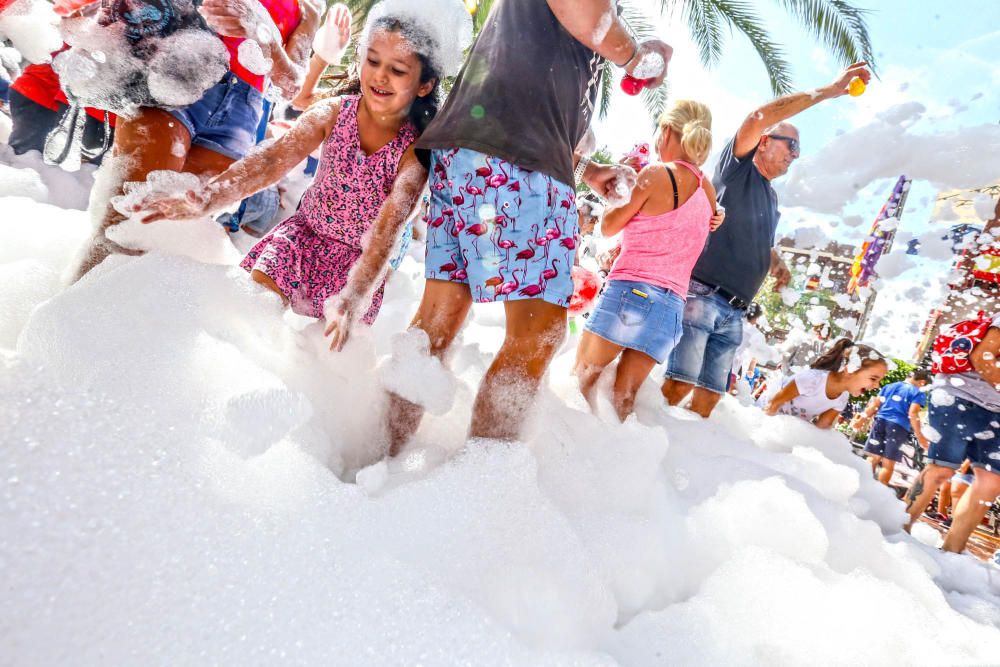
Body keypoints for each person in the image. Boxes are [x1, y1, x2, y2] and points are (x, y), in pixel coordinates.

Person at [329, 0, 674, 453]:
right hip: (519, 161)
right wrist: (637, 57)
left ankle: (375, 462)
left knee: (435, 323)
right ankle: (482, 489)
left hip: (471, 151)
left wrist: (586, 170)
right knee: (537, 332)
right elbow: (584, 13)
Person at [134, 2, 449, 328]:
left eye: (397, 70)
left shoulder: (413, 150)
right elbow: (270, 160)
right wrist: (209, 197)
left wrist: (355, 294)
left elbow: (388, 229)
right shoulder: (334, 112)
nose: (380, 75)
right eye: (372, 61)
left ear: (424, 85)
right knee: (248, 312)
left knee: (325, 352)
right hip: (302, 237)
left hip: (360, 265)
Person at [660, 61, 872, 418]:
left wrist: (776, 263)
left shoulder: (770, 197)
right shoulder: (736, 168)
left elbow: (756, 240)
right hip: (703, 293)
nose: (795, 155)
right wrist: (833, 90)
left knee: (710, 398)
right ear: (763, 142)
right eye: (791, 145)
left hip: (735, 309)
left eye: (797, 150)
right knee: (679, 384)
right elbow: (757, 116)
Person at [72, 0, 321, 279]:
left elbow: (292, 84)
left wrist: (262, 29)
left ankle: (127, 315)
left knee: (169, 237)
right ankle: (64, 313)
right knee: (124, 226)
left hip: (239, 116)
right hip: (178, 69)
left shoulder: (309, 8)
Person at [574, 100, 724, 421]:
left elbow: (608, 225)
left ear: (667, 131)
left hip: (631, 293)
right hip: (671, 310)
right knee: (624, 401)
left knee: (581, 383)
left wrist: (624, 185)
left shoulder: (656, 174)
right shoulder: (707, 189)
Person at [903, 313, 1000, 554]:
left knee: (991, 482)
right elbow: (982, 356)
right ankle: (897, 532)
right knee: (941, 469)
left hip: (995, 409)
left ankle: (952, 553)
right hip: (959, 395)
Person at [763, 338, 888, 429]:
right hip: (765, 415)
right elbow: (773, 404)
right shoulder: (813, 380)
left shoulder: (842, 398)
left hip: (787, 429)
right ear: (851, 368)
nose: (877, 386)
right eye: (873, 378)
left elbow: (822, 427)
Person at [861, 369, 932, 486]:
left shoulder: (889, 386)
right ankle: (878, 492)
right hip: (899, 427)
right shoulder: (917, 393)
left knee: (873, 457)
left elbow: (875, 405)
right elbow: (913, 413)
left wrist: (862, 419)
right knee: (888, 463)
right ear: (922, 382)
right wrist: (920, 437)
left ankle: (863, 485)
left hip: (880, 421)